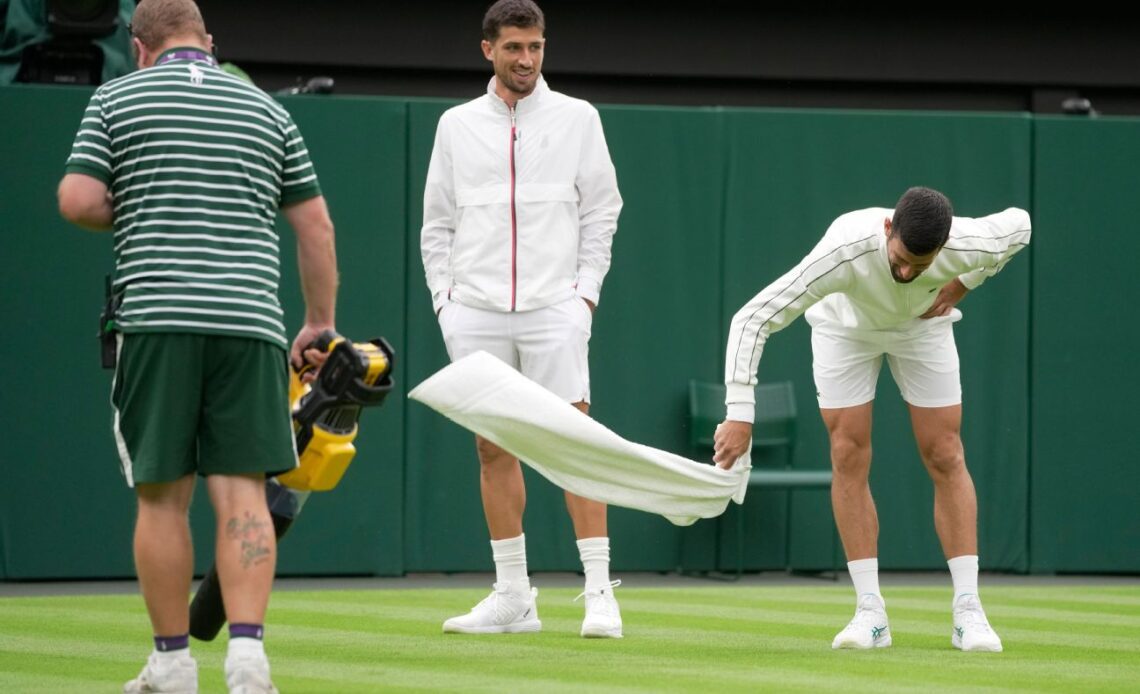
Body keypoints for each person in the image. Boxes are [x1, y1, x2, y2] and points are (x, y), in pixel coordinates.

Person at [57, 1, 338, 691]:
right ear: (208, 44)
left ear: (140, 46)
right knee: (244, 493)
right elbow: (316, 229)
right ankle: (248, 660)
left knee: (162, 500)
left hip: (158, 323)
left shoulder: (116, 97)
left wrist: (148, 200)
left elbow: (77, 199)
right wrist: (319, 323)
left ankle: (173, 663)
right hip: (250, 327)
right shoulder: (267, 111)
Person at [713, 187, 1030, 652]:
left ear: (943, 249)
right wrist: (739, 413)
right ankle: (870, 613)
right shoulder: (843, 252)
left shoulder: (967, 242)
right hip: (845, 332)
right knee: (847, 451)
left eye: (919, 267)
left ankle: (969, 611)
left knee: (945, 453)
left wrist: (966, 283)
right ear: (888, 229)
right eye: (900, 259)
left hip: (922, 329)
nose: (905, 272)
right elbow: (753, 318)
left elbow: (1020, 224)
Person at [421, 0, 624, 638]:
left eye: (535, 47)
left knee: (574, 441)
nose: (526, 59)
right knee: (491, 447)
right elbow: (437, 224)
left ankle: (598, 592)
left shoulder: (578, 118)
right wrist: (446, 305)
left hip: (554, 310)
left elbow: (602, 211)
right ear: (489, 50)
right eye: (514, 47)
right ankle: (514, 596)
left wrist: (582, 298)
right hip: (474, 312)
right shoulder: (455, 125)